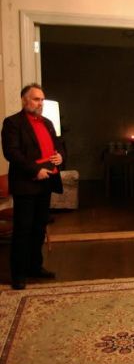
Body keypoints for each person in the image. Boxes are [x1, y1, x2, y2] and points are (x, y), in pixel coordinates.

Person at [1, 83, 64, 289]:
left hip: (46, 183)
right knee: (23, 230)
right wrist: (35, 170)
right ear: (24, 100)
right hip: (26, 184)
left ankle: (35, 267)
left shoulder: (47, 123)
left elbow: (57, 145)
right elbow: (12, 152)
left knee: (39, 228)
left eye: (42, 99)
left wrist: (60, 156)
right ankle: (19, 275)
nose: (40, 103)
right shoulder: (12, 123)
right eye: (36, 99)